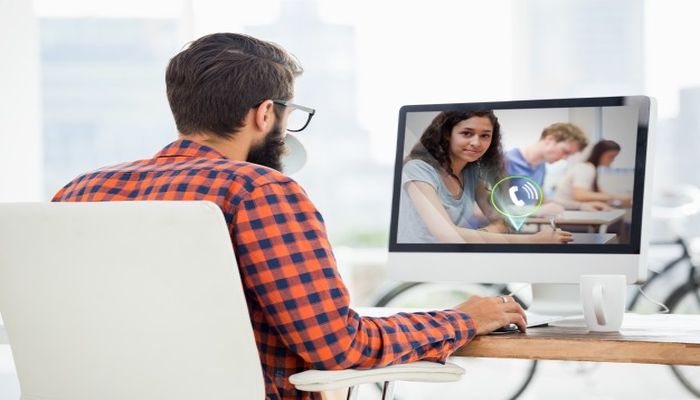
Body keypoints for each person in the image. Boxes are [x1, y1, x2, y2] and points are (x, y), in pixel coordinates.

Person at [51, 33, 528, 400]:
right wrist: (461, 318)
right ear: (265, 114)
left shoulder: (78, 192)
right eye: (287, 114)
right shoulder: (260, 192)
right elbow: (338, 348)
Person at [399, 110, 573, 244]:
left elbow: (503, 220)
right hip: (422, 260)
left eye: (485, 136)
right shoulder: (418, 169)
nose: (476, 143)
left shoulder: (472, 172)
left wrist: (482, 234)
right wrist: (532, 240)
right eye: (467, 133)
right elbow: (447, 234)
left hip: (458, 257)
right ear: (447, 134)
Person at [504, 122, 610, 212]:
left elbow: (542, 201)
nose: (565, 158)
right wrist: (537, 211)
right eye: (565, 151)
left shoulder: (541, 167)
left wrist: (580, 206)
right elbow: (495, 209)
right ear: (550, 139)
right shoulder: (505, 161)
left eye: (569, 155)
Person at [554, 139, 632, 207]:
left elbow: (600, 194)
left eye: (614, 157)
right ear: (600, 154)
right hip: (566, 211)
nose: (612, 160)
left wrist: (621, 198)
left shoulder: (590, 169)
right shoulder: (585, 168)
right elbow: (580, 195)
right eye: (611, 156)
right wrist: (612, 197)